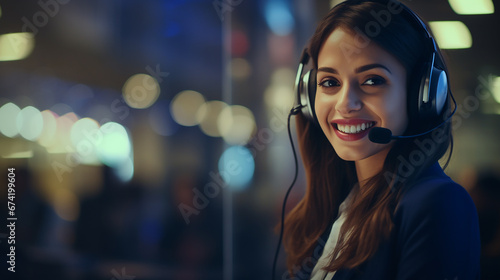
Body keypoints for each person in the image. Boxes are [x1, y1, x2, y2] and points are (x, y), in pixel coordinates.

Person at [282, 0, 481, 279]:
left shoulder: (438, 203)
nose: (345, 104)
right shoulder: (340, 208)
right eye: (329, 83)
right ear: (307, 97)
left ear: (422, 95)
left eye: (372, 81)